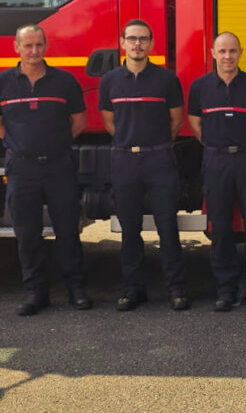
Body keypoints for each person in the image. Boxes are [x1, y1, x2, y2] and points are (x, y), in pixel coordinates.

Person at [0, 24, 90, 316]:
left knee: (68, 230)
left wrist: (55, 145)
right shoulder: (1, 83)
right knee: (27, 234)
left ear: (46, 46)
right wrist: (21, 146)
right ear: (16, 47)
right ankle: (36, 293)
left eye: (39, 45)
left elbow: (78, 122)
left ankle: (76, 290)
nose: (34, 52)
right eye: (28, 46)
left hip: (59, 166)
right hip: (21, 169)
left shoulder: (64, 82)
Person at [99, 19, 189, 311]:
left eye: (143, 39)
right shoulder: (110, 80)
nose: (137, 44)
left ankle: (176, 289)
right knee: (130, 229)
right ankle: (133, 290)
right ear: (122, 42)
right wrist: (130, 143)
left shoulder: (166, 79)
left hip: (159, 158)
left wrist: (153, 144)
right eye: (132, 38)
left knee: (167, 226)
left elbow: (176, 120)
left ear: (151, 44)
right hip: (125, 159)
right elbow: (108, 120)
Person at [187, 32, 246, 312]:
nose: (227, 56)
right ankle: (226, 290)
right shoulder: (200, 87)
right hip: (215, 162)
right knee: (221, 228)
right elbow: (195, 124)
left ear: (240, 52)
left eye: (233, 51)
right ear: (212, 53)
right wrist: (218, 148)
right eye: (222, 51)